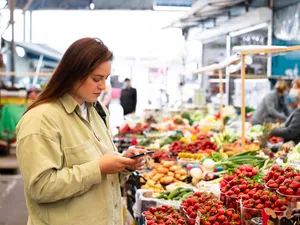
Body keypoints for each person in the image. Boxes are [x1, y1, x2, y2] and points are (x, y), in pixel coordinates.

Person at [16, 38, 146, 225]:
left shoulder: (97, 110)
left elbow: (101, 167)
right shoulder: (41, 120)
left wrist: (123, 163)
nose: (103, 86)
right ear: (73, 74)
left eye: (106, 79)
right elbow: (40, 188)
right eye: (96, 79)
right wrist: (99, 167)